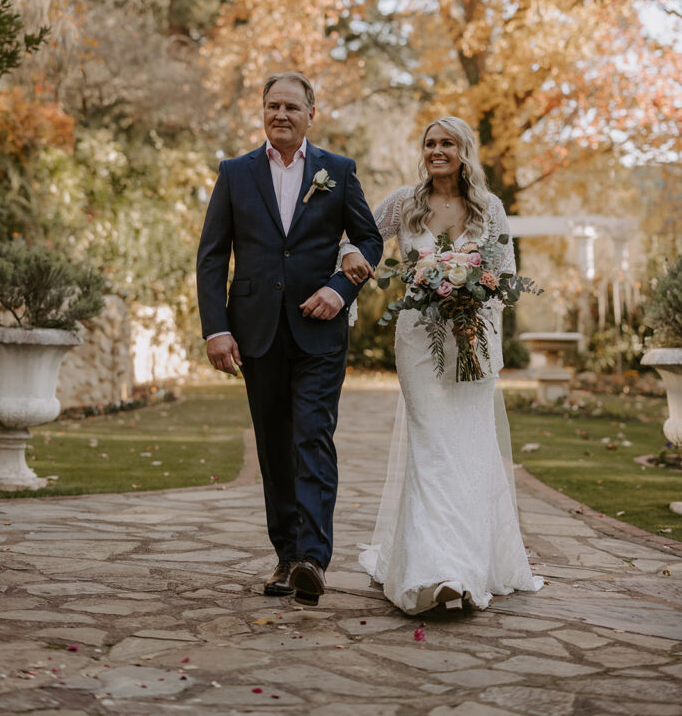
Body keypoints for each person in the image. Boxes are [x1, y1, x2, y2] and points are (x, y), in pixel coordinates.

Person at [341, 116, 543, 614]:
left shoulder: (489, 208)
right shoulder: (404, 204)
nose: (436, 150)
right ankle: (436, 571)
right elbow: (357, 234)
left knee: (468, 449)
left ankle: (469, 563)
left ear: (463, 150)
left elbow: (508, 277)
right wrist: (348, 258)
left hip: (472, 340)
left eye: (446, 142)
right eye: (429, 142)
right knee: (432, 448)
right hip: (418, 343)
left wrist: (470, 292)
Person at [196, 72, 382, 606]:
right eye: (272, 105)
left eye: (291, 107)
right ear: (263, 111)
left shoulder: (337, 171)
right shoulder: (235, 173)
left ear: (311, 114)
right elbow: (213, 256)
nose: (281, 114)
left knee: (312, 438)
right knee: (274, 447)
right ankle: (286, 555)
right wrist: (217, 328)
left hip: (319, 331)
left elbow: (369, 239)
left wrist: (339, 289)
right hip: (254, 331)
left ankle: (312, 560)